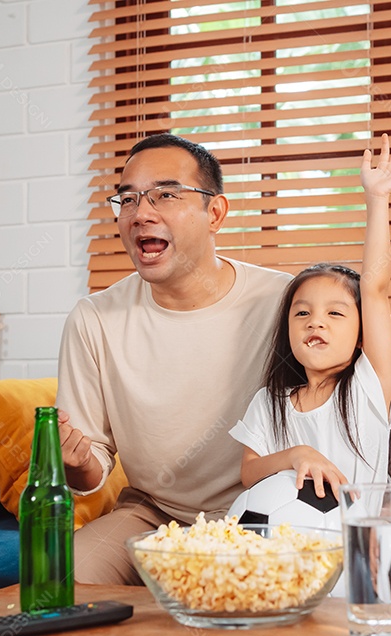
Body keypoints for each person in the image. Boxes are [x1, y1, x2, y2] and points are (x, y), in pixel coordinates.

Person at [56, 133, 292, 585]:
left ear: (215, 213)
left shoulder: (285, 301)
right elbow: (91, 467)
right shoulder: (95, 319)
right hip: (151, 514)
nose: (141, 213)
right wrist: (76, 461)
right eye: (127, 198)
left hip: (260, 512)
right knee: (64, 577)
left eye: (165, 194)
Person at [228, 134, 391, 503]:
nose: (316, 322)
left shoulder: (370, 384)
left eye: (335, 313)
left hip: (357, 543)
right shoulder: (270, 402)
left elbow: (375, 288)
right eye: (302, 313)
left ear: (362, 335)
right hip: (290, 543)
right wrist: (297, 455)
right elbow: (249, 472)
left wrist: (377, 199)